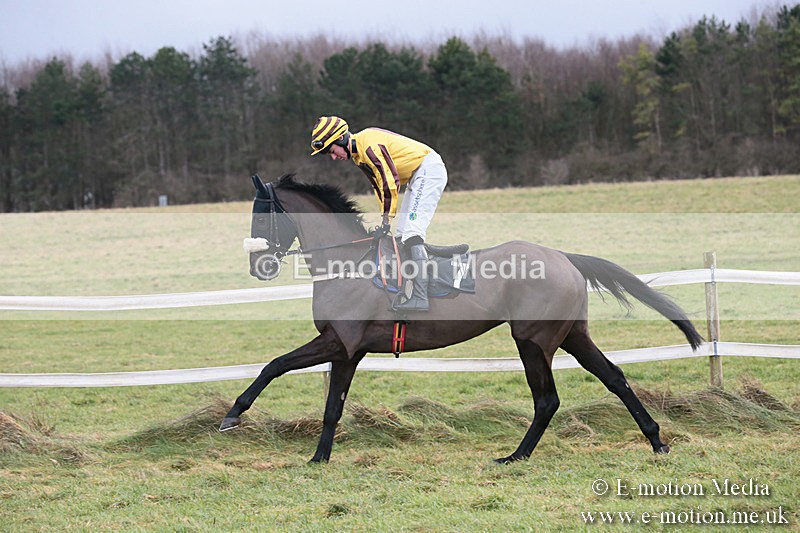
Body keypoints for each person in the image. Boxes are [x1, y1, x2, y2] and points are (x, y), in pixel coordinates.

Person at [310, 116, 448, 312]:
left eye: (332, 151)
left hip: (428, 170)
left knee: (411, 233)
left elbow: (389, 182)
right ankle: (410, 287)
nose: (334, 157)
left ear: (341, 139)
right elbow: (378, 187)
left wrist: (386, 220)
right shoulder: (359, 156)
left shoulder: (368, 147)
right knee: (401, 235)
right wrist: (385, 221)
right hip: (418, 176)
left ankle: (420, 295)